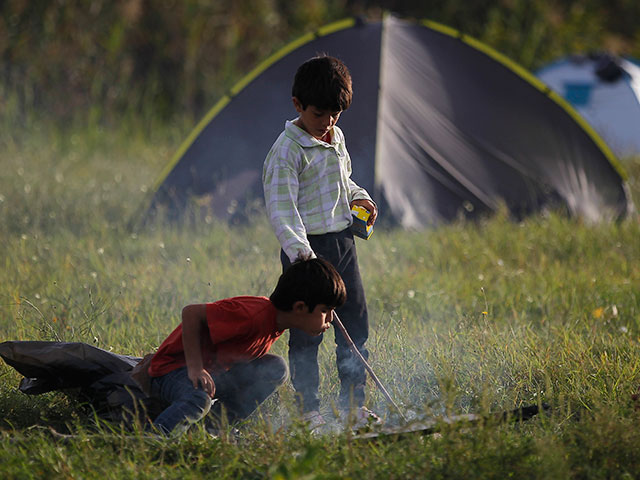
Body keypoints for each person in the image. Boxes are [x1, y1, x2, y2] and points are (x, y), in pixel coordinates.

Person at [262, 54, 379, 429]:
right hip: (307, 254)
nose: (327, 123)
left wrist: (360, 197)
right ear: (298, 105)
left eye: (335, 114)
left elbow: (343, 182)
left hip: (342, 245)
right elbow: (283, 211)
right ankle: (307, 410)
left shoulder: (335, 136)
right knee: (308, 333)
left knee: (355, 324)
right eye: (319, 114)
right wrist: (304, 258)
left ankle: (352, 405)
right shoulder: (286, 152)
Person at [145, 257, 346, 435]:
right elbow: (191, 313)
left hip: (212, 374)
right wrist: (195, 368)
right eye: (325, 310)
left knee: (275, 367)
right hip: (173, 371)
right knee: (198, 399)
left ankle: (209, 429)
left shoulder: (276, 324)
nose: (330, 319)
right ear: (300, 307)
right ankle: (153, 439)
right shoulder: (252, 315)